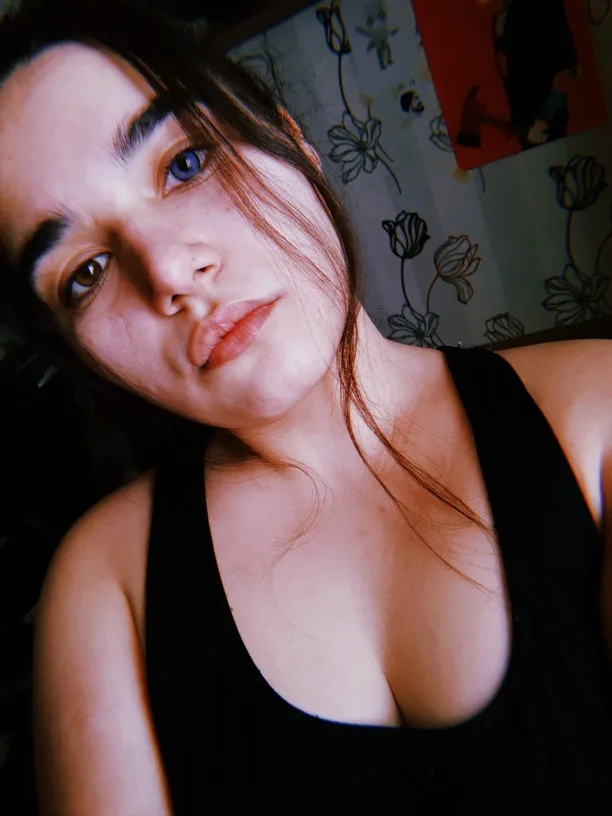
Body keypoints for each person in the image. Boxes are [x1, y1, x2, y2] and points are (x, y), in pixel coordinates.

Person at [0, 1, 611, 813]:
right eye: (85, 272)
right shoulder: (105, 588)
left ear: (290, 139)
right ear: (80, 355)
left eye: (186, 163)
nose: (170, 272)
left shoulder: (598, 414)